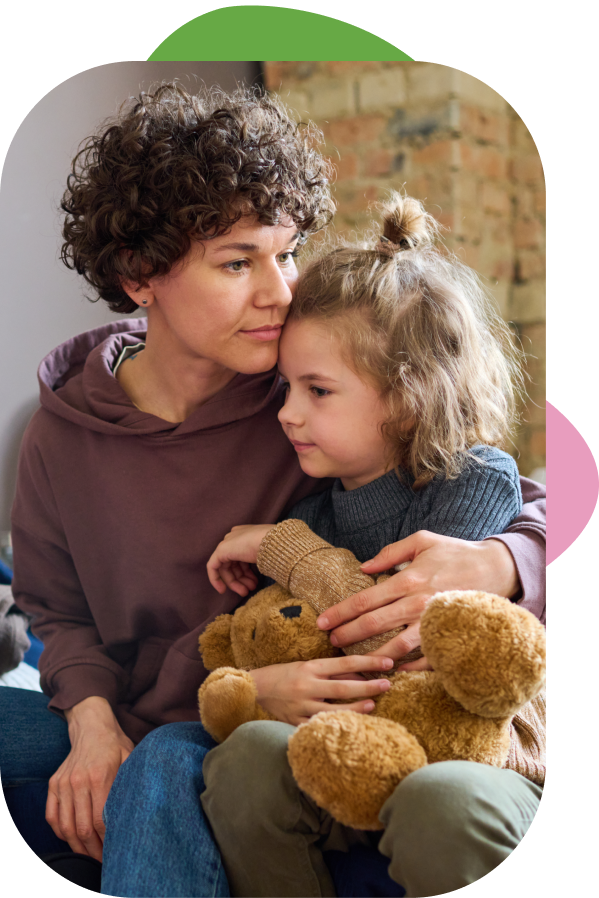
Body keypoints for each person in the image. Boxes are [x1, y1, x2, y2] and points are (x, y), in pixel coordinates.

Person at [0, 83, 545, 898]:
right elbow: (57, 613)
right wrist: (88, 719)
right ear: (140, 275)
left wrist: (499, 561)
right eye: (237, 262)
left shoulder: (306, 395)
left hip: (232, 711)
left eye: (285, 253)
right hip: (138, 703)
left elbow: (514, 492)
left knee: (161, 766)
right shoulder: (62, 431)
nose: (280, 291)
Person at [199, 194, 546, 898]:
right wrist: (259, 691)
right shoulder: (311, 512)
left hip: (491, 766)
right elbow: (294, 642)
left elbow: (403, 640)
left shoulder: (471, 479)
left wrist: (282, 549)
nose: (288, 413)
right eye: (286, 388)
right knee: (244, 758)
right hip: (358, 752)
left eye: (318, 390)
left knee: (439, 800)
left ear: (407, 397)